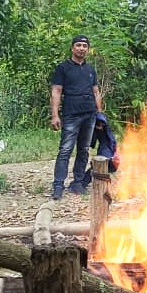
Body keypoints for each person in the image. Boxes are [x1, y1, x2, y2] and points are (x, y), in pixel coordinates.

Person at [50, 35, 103, 199]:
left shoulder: (90, 70)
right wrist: (55, 115)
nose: (81, 48)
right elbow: (56, 91)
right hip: (71, 114)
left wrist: (99, 113)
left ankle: (78, 183)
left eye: (84, 46)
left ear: (88, 49)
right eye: (78, 45)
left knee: (84, 149)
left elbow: (96, 91)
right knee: (65, 150)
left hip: (89, 114)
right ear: (72, 48)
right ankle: (58, 185)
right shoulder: (63, 68)